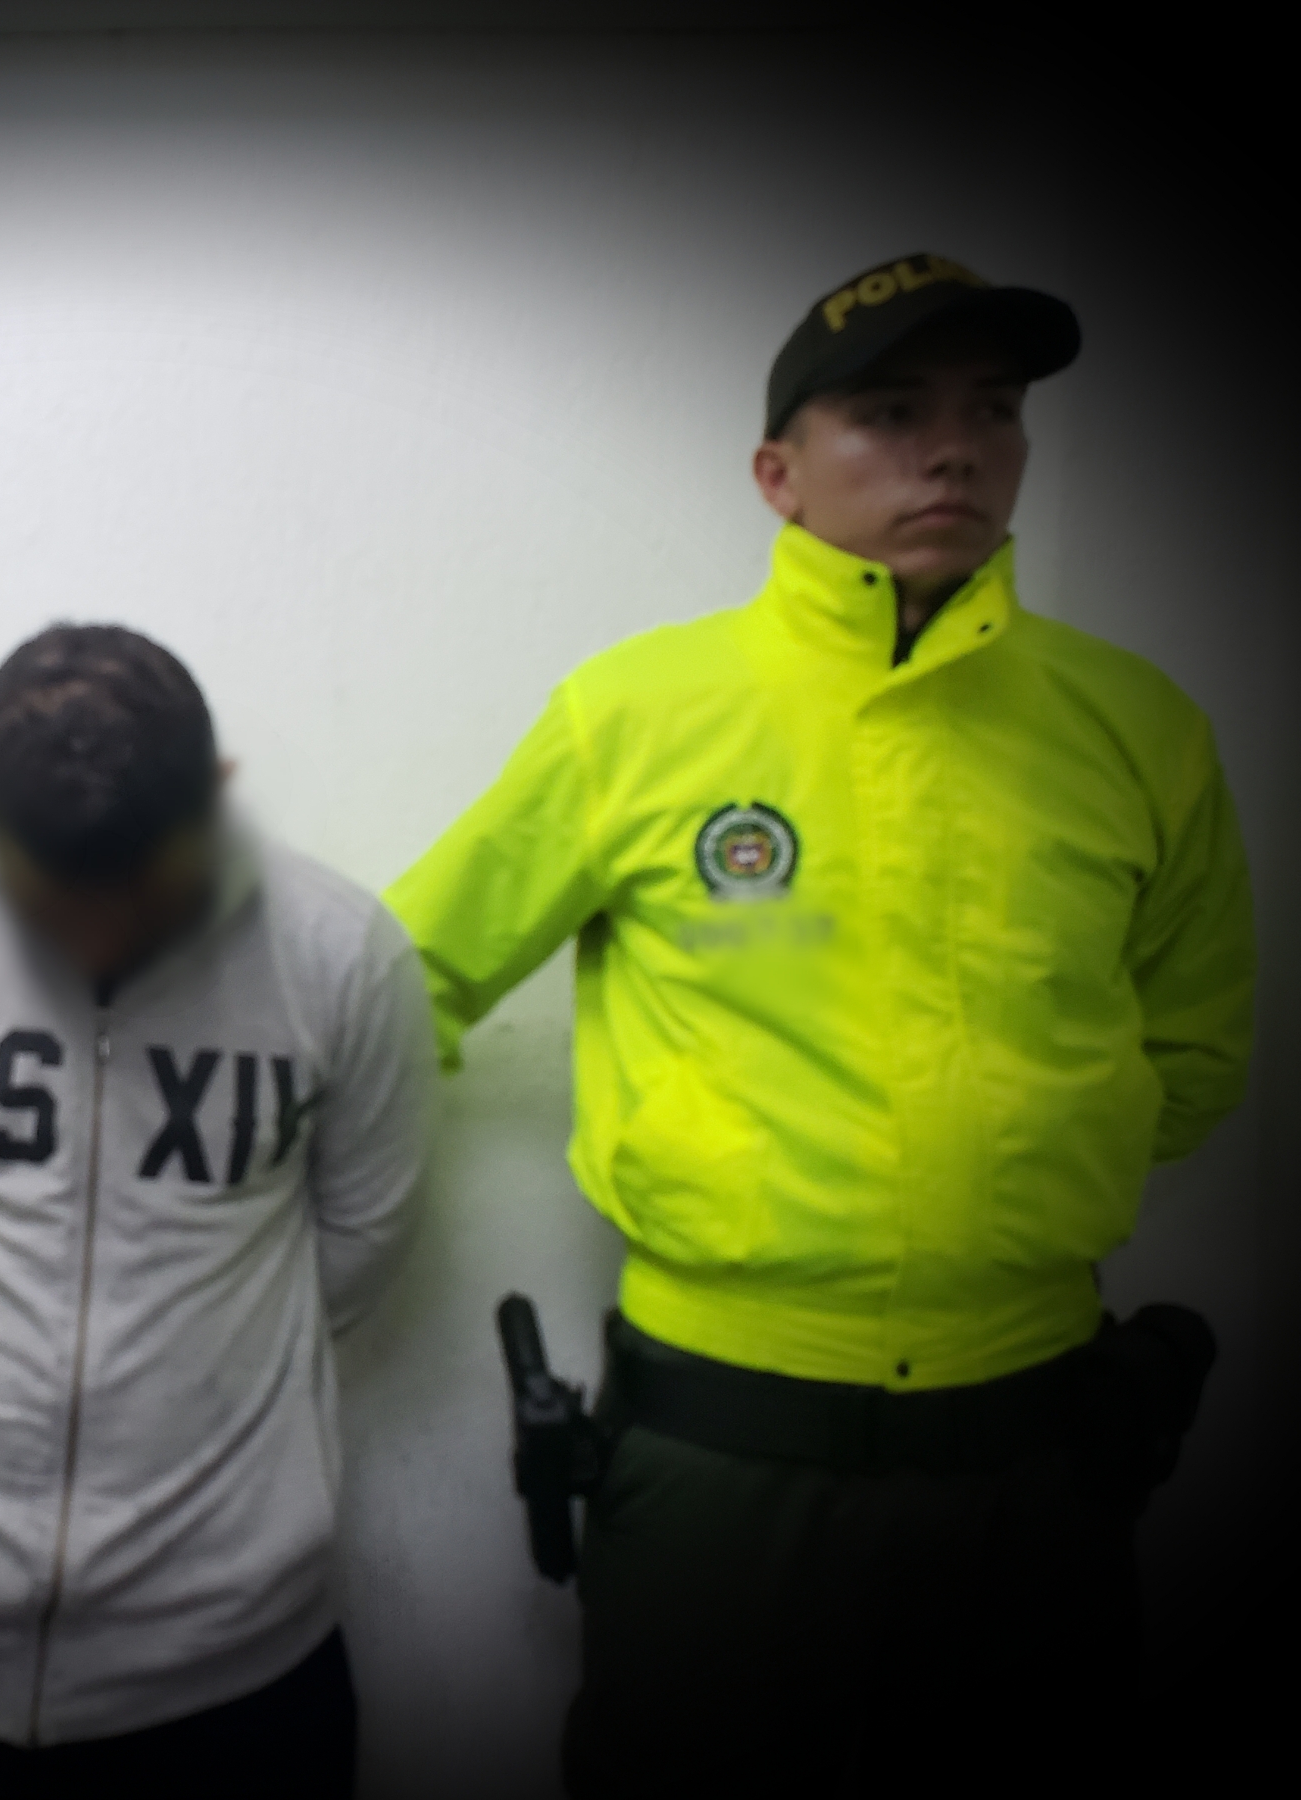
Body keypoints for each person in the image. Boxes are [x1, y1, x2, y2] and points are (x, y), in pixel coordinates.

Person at [385, 255, 1255, 1794]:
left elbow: (1192, 1058)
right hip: (722, 1454)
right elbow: (400, 985)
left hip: (1040, 1456)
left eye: (994, 411)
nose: (955, 450)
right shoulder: (638, 715)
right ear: (777, 476)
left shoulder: (1138, 728)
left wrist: (1020, 1185)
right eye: (893, 413)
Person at [0, 625, 436, 1799]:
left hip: (236, 1677)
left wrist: (201, 1350)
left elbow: (364, 1237)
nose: (97, 935)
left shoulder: (342, 954)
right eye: (55, 890)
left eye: (136, 882)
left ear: (219, 792)